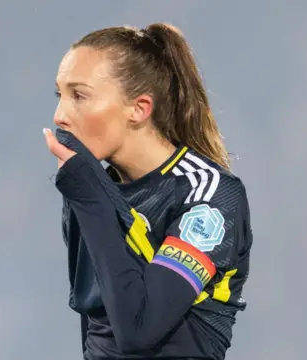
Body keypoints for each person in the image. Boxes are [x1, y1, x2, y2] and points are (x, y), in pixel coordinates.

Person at [43, 23, 253, 360]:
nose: (60, 116)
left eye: (79, 95)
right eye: (60, 95)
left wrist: (91, 199)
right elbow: (96, 324)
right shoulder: (94, 186)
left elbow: (138, 330)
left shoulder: (207, 196)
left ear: (139, 109)